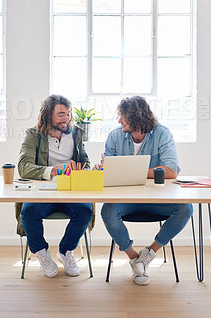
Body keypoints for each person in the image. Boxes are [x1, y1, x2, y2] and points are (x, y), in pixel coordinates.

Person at [98, 96, 193, 286]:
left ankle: (149, 254)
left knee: (185, 208)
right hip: (126, 200)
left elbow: (172, 170)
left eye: (122, 117)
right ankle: (134, 258)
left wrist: (134, 173)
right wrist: (101, 170)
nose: (119, 121)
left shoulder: (162, 134)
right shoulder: (115, 136)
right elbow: (106, 168)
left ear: (136, 118)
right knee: (107, 211)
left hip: (156, 199)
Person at [18, 94, 93, 278]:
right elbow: (23, 167)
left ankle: (66, 251)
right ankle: (42, 253)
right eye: (60, 114)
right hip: (44, 190)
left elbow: (86, 163)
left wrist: (81, 170)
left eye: (67, 114)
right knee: (28, 213)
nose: (65, 119)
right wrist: (53, 170)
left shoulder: (76, 133)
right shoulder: (33, 134)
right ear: (48, 115)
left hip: (70, 190)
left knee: (85, 211)